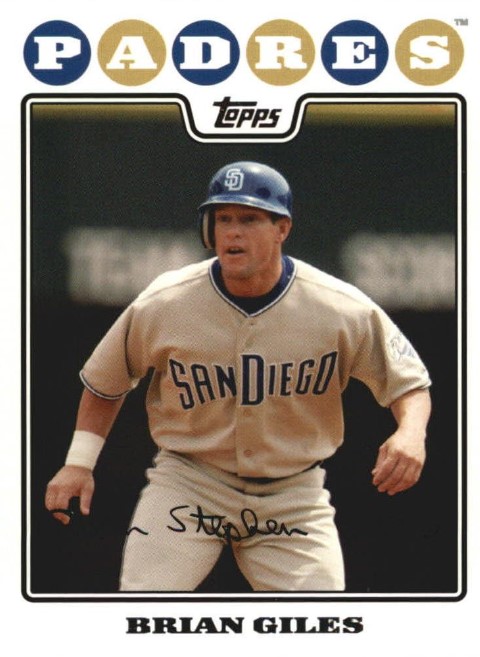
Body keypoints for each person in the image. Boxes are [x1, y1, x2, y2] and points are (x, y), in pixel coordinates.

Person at [45, 161, 432, 592]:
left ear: (282, 228)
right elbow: (106, 382)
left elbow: (409, 382)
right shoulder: (165, 301)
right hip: (190, 483)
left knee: (320, 621)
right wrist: (78, 463)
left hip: (293, 494)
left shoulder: (339, 307)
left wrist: (411, 432)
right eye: (223, 218)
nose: (232, 232)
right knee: (145, 608)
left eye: (249, 219)